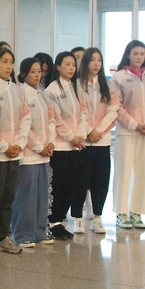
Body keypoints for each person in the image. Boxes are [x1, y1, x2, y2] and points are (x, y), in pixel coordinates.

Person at [112, 40, 145, 230]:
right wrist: (135, 124)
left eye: (142, 54)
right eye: (135, 53)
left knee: (143, 172)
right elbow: (116, 105)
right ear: (128, 55)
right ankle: (121, 212)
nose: (139, 57)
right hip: (127, 131)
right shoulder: (118, 77)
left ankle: (137, 212)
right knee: (124, 171)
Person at [0, 45, 29, 253]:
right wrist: (4, 146)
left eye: (11, 62)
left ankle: (5, 234)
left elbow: (25, 118)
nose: (9, 66)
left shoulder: (18, 90)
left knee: (9, 196)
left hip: (14, 153)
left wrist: (19, 144)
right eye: (4, 62)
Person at [11, 57, 55, 248]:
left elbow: (51, 121)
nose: (37, 75)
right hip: (29, 154)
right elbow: (23, 127)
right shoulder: (22, 94)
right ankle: (22, 233)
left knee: (41, 195)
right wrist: (38, 147)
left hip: (44, 155)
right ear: (23, 74)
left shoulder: (42, 94)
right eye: (33, 72)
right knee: (26, 196)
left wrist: (50, 143)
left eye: (39, 71)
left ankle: (40, 231)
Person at [75, 47, 118, 235]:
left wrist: (98, 131)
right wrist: (88, 131)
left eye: (99, 60)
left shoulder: (108, 85)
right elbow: (78, 112)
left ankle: (98, 218)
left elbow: (113, 110)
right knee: (80, 180)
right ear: (85, 62)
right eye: (92, 60)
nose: (96, 64)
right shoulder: (77, 85)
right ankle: (78, 218)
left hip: (102, 141)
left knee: (101, 181)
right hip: (83, 142)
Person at [44, 51, 85, 239]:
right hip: (61, 146)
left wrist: (80, 135)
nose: (71, 68)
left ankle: (60, 220)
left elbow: (83, 114)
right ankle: (52, 221)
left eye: (73, 65)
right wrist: (70, 136)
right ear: (58, 66)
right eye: (67, 64)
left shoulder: (77, 88)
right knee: (57, 187)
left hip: (75, 146)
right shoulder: (52, 89)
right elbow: (56, 119)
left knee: (71, 185)